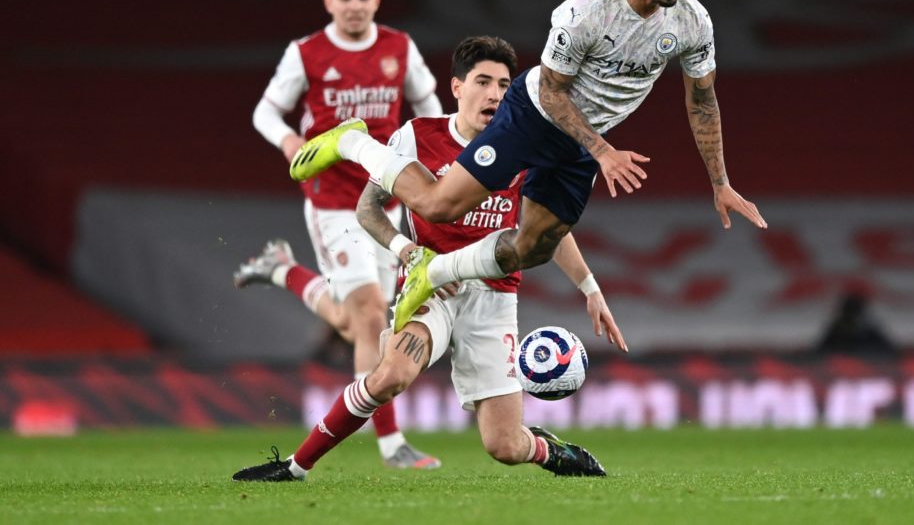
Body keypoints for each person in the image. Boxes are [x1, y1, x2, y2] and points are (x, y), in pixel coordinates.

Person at [289, 0, 768, 333]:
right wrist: (601, 151)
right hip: (534, 116)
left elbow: (702, 101)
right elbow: (552, 91)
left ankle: (432, 273)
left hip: (583, 142)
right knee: (439, 205)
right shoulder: (588, 10)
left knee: (536, 247)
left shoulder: (692, 22)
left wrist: (720, 182)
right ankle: (353, 142)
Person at [232, 35, 627, 482]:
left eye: (503, 84)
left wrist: (590, 289)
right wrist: (406, 250)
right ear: (457, 87)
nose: (494, 94)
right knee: (389, 377)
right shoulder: (419, 136)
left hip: (493, 300)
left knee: (506, 446)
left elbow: (547, 232)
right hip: (430, 287)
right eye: (483, 81)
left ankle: (550, 450)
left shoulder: (526, 148)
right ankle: (294, 466)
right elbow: (368, 208)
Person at [238, 0, 444, 469]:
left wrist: (433, 156)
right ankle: (392, 444)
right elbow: (265, 110)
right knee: (374, 314)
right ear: (330, 2)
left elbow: (429, 102)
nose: (354, 6)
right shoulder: (307, 52)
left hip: (385, 198)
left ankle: (283, 271)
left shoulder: (399, 47)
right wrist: (289, 142)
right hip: (332, 203)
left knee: (360, 323)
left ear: (376, 0)